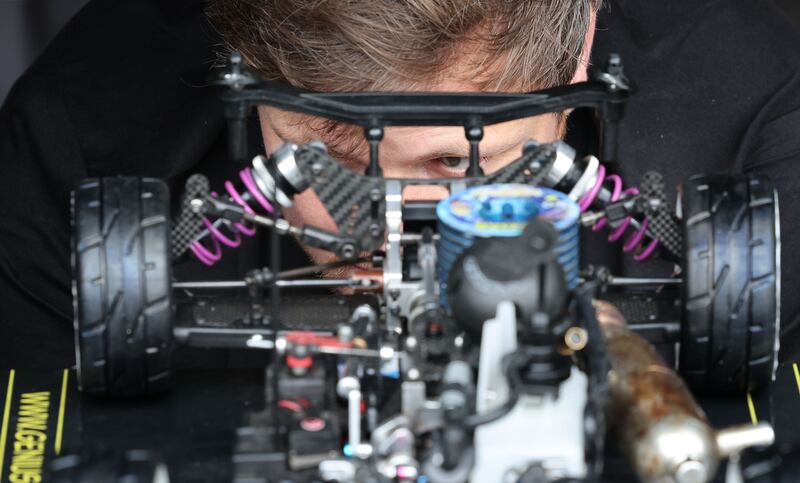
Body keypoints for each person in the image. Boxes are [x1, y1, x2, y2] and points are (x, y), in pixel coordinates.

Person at [1, 0, 799, 368]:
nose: (388, 230)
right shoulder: (77, 136)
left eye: (455, 162)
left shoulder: (758, 125)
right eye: (323, 160)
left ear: (582, 45)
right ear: (238, 72)